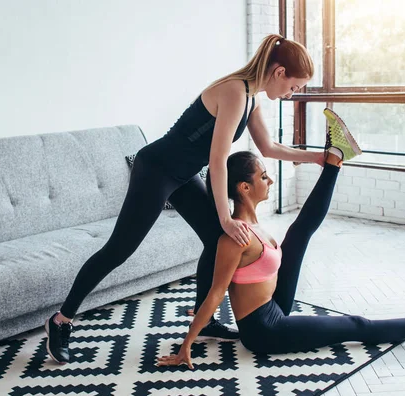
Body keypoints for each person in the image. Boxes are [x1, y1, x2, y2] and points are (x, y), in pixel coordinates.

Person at [44, 34, 324, 364]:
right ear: (279, 72)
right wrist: (225, 216)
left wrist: (318, 158)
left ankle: (205, 323)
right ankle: (61, 320)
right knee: (119, 249)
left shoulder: (252, 98)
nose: (294, 94)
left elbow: (269, 149)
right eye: (295, 86)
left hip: (182, 173)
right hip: (157, 169)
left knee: (217, 238)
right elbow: (218, 160)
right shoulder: (235, 91)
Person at [156, 117, 405, 368]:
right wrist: (187, 345)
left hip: (273, 305)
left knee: (299, 233)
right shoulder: (236, 237)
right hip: (264, 332)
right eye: (262, 176)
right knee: (356, 326)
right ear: (243, 188)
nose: (269, 179)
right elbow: (216, 292)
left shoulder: (254, 224)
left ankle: (335, 160)